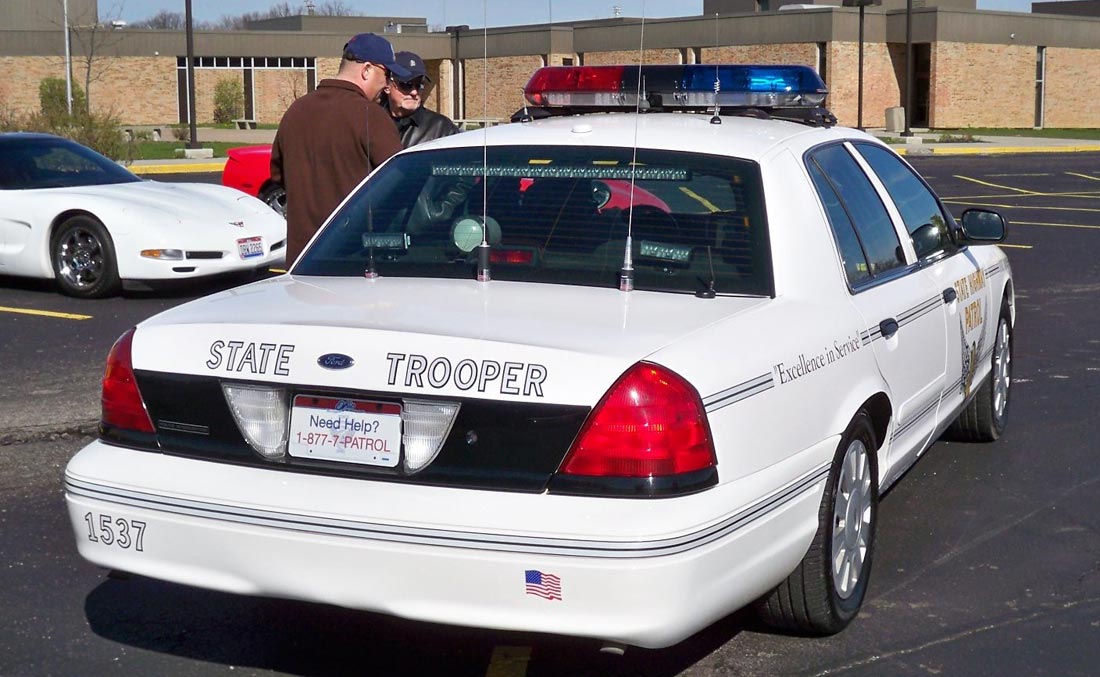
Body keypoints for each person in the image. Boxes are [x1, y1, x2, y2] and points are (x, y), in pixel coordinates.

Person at [270, 33, 408, 263]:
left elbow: (278, 176)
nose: (386, 86)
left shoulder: (296, 111)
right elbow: (400, 184)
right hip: (353, 260)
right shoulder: (370, 116)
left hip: (301, 260)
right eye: (387, 74)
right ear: (366, 70)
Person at [383, 51, 460, 148]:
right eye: (406, 85)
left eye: (419, 85)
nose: (414, 92)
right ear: (387, 86)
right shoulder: (372, 122)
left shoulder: (441, 128)